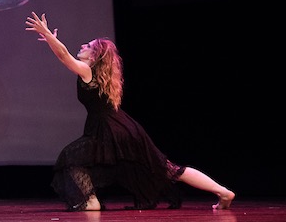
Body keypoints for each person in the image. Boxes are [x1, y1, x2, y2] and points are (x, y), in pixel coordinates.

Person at [24, 11, 234, 211]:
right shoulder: (96, 75)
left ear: (96, 56)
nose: (82, 45)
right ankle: (223, 192)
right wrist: (51, 39)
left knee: (71, 158)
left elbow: (64, 56)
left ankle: (91, 202)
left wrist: (48, 35)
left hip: (110, 131)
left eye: (88, 45)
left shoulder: (88, 70)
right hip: (121, 129)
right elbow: (64, 55)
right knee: (169, 170)